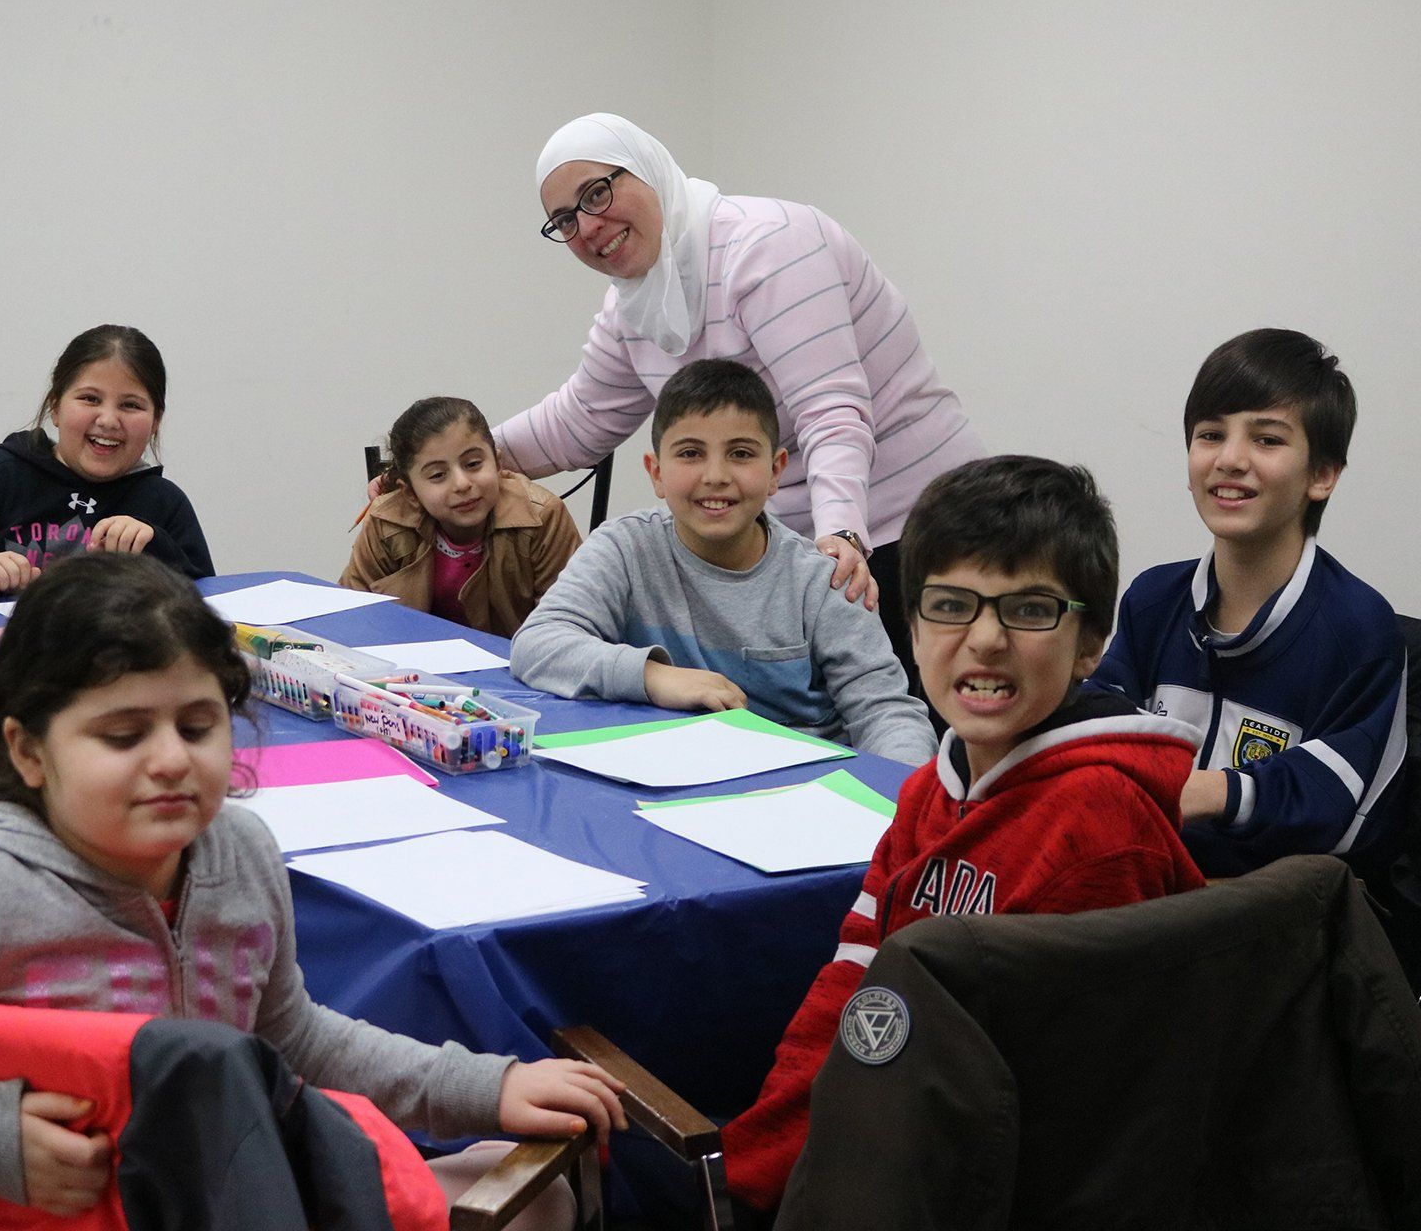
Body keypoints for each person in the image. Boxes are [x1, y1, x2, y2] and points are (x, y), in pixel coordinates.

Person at [0, 553, 622, 1223]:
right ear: (28, 749)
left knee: (538, 1187)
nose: (172, 762)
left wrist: (481, 1085)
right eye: (123, 736)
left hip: (216, 1188)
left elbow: (286, 1036)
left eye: (199, 723)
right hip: (45, 1213)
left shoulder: (238, 851)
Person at [717, 455, 1206, 1217]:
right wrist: (753, 1175)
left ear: (1091, 644)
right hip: (895, 1146)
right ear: (910, 627)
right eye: (950, 604)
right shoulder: (928, 792)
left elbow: (1090, 1120)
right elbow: (853, 997)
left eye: (1031, 609)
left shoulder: (1100, 827)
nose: (984, 639)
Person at [493, 112, 983, 683]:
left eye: (598, 193)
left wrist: (843, 534)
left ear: (649, 169)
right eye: (564, 220)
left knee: (927, 732)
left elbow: (832, 412)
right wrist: (456, 462)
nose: (588, 226)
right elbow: (574, 422)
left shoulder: (768, 245)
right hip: (807, 556)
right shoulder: (634, 307)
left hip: (916, 531)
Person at [1088, 329, 1408, 877]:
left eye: (1267, 440)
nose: (1230, 460)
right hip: (1144, 883)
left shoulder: (1361, 628)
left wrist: (1213, 791)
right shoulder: (1152, 599)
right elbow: (1098, 726)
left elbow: (1342, 812)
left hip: (1272, 917)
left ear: (1323, 475)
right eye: (1210, 435)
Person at [510, 360, 934, 764]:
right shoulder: (624, 548)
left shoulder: (824, 579)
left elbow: (886, 713)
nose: (716, 475)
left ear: (776, 472)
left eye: (741, 454)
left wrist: (907, 805)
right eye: (691, 453)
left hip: (799, 792)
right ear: (656, 473)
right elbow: (538, 644)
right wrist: (655, 678)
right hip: (666, 774)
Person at [0, 324, 214, 594]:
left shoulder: (165, 504)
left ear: (155, 421)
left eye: (131, 405)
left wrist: (155, 548)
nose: (109, 420)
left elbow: (204, 606)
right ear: (56, 408)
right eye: (90, 399)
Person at [342, 396, 580, 636]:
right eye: (437, 475)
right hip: (411, 668)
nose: (462, 484)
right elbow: (349, 615)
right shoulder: (386, 521)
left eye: (473, 464)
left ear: (497, 464)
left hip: (517, 666)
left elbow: (565, 628)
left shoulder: (543, 516)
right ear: (411, 492)